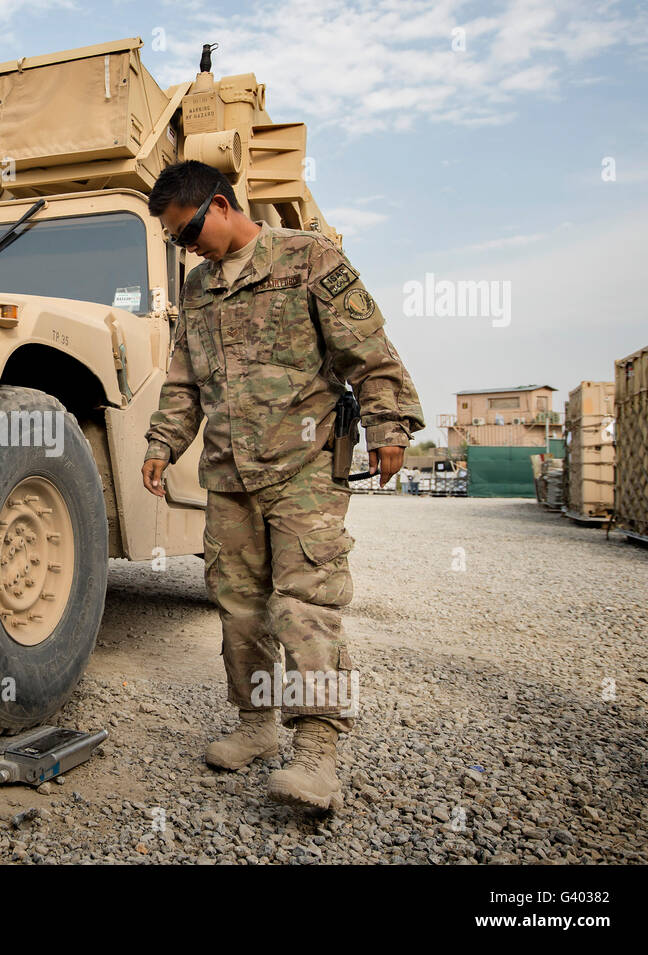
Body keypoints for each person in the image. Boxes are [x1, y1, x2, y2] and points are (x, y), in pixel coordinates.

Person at [141, 160, 424, 811]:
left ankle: (318, 757)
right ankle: (257, 725)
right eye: (176, 241)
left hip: (304, 470)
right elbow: (184, 380)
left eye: (186, 233)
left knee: (305, 604)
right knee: (240, 608)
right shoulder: (197, 287)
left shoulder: (307, 259)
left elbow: (370, 352)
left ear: (218, 205)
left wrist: (388, 425)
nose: (185, 248)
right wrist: (162, 444)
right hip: (230, 475)